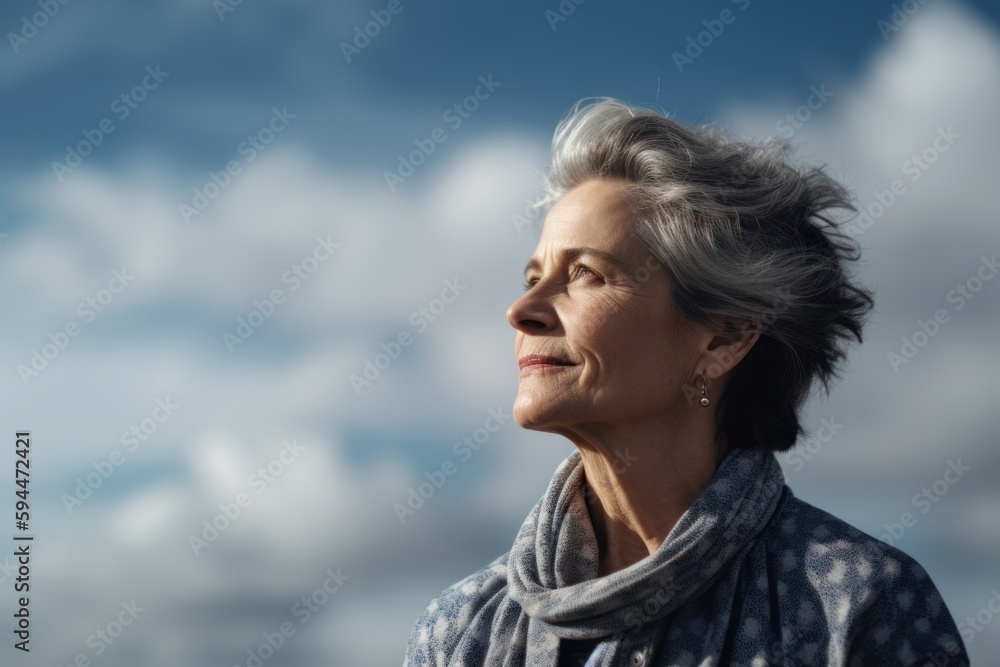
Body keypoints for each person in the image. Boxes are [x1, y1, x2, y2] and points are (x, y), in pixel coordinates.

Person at [403, 97, 969, 666]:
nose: (522, 309)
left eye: (585, 274)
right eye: (533, 276)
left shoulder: (860, 605)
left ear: (724, 339)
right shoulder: (461, 631)